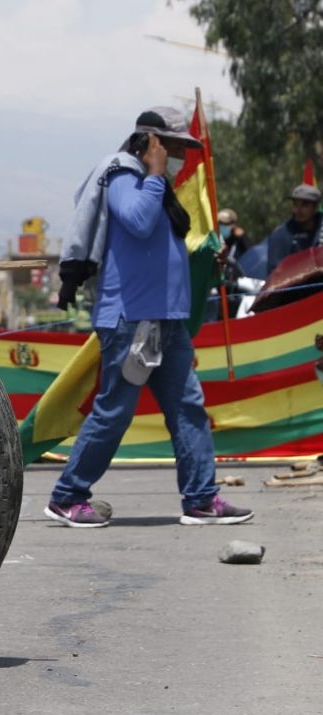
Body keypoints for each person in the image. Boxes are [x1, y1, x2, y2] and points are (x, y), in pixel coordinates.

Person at [46, 107, 253, 528]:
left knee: (189, 407)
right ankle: (68, 497)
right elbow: (137, 222)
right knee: (115, 410)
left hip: (165, 322)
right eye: (173, 148)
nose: (180, 157)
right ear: (151, 143)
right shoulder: (124, 173)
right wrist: (156, 173)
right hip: (132, 320)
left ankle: (201, 498)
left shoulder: (158, 188)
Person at [265, 184, 323, 278]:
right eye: (295, 204)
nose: (298, 210)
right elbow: (275, 276)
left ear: (315, 207)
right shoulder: (281, 235)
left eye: (304, 205)